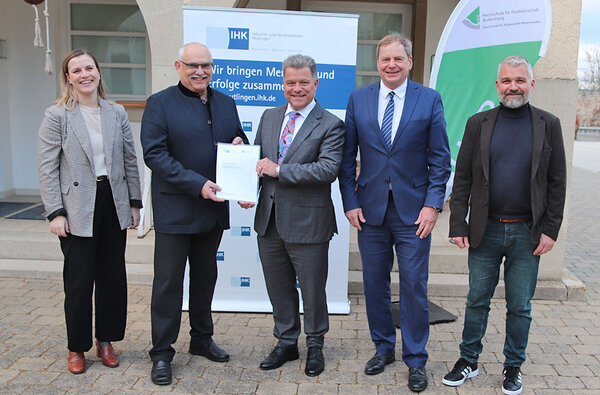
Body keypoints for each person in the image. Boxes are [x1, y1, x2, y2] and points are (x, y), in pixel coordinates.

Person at [443, 55, 566, 395]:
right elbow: (463, 177)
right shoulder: (477, 123)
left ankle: (513, 366)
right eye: (507, 81)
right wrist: (458, 223)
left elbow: (557, 182)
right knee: (476, 299)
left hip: (529, 232)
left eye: (520, 80)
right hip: (486, 229)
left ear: (531, 84)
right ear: (497, 85)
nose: (513, 86)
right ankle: (468, 360)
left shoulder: (549, 123)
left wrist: (550, 229)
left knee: (520, 305)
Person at [338, 34, 450, 392]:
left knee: (414, 286)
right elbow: (346, 159)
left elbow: (440, 160)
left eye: (398, 59)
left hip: (414, 213)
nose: (391, 65)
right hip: (369, 211)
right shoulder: (358, 99)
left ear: (410, 61)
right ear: (378, 62)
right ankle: (383, 347)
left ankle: (416, 359)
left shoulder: (429, 99)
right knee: (374, 283)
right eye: (385, 59)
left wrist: (433, 205)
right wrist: (350, 202)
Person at [141, 42, 248, 386]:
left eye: (206, 65)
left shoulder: (226, 102)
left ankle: (201, 339)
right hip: (176, 210)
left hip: (212, 210)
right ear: (178, 66)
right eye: (192, 65)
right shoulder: (160, 104)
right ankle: (161, 353)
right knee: (169, 284)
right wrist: (197, 183)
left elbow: (238, 140)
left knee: (205, 279)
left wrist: (240, 148)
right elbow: (155, 155)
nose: (200, 71)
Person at [38, 48, 142, 375]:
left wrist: (135, 203)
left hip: (113, 201)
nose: (85, 75)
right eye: (77, 70)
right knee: (79, 282)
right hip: (76, 206)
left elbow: (129, 160)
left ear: (98, 72)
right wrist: (55, 211)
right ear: (68, 77)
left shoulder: (116, 112)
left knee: (112, 278)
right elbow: (47, 167)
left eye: (89, 68)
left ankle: (107, 340)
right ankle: (76, 347)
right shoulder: (57, 115)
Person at [241, 54, 344, 377]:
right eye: (290, 82)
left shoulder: (331, 124)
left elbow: (327, 169)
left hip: (308, 222)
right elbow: (259, 159)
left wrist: (279, 169)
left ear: (315, 83)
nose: (296, 89)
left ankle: (315, 345)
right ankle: (286, 342)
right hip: (269, 220)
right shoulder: (269, 117)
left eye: (303, 82)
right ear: (282, 84)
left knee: (313, 289)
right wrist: (247, 187)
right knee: (278, 287)